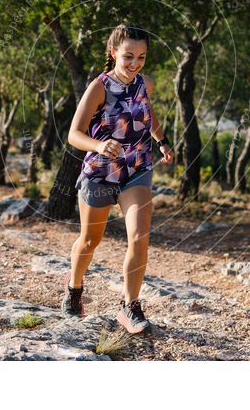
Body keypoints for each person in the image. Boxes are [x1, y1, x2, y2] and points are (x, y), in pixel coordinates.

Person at [62, 24, 174, 334]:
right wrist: (99, 145)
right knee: (89, 241)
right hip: (100, 173)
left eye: (141, 57)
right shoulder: (99, 87)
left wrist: (161, 141)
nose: (135, 63)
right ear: (113, 54)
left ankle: (130, 305)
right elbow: (74, 134)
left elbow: (146, 112)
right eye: (128, 57)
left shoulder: (144, 83)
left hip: (136, 170)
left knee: (139, 236)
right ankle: (74, 287)